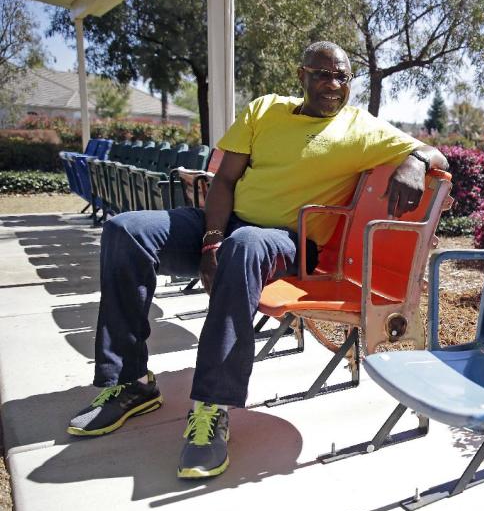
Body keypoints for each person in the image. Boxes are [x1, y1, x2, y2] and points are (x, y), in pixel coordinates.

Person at [66, 41, 448, 479]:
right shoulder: (264, 110)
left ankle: (211, 408)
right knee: (125, 231)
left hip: (288, 243)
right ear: (301, 75)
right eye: (323, 74)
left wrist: (415, 162)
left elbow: (433, 153)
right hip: (228, 225)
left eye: (343, 77)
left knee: (245, 243)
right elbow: (224, 181)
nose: (334, 85)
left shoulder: (359, 127)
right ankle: (130, 382)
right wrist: (210, 242)